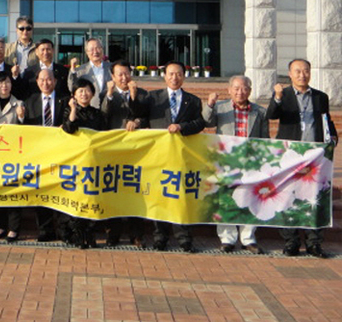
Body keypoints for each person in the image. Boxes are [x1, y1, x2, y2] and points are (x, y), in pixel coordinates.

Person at [266, 59, 337, 258]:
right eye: (297, 71)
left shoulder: (320, 97)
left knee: (314, 197)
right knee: (289, 197)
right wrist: (277, 97)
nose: (302, 75)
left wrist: (332, 138)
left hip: (314, 157)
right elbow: (272, 115)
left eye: (305, 71)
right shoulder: (284, 94)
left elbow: (326, 121)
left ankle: (314, 243)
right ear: (289, 74)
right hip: (290, 156)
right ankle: (291, 241)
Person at [138, 60, 205, 252]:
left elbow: (199, 123)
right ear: (164, 76)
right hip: (158, 157)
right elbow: (143, 119)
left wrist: (182, 127)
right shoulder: (153, 98)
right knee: (160, 196)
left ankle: (184, 238)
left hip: (182, 157)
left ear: (184, 76)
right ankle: (160, 237)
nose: (174, 78)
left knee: (181, 197)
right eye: (171, 74)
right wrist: (135, 122)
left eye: (178, 74)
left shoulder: (193, 101)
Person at [203, 75, 269, 254]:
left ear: (250, 90)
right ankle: (227, 238)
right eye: (237, 88)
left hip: (250, 162)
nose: (241, 92)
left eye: (245, 88)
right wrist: (209, 104)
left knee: (251, 199)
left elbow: (265, 140)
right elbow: (207, 122)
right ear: (229, 89)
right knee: (226, 199)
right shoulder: (220, 108)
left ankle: (248, 237)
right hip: (226, 161)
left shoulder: (260, 112)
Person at [100, 60, 148, 248]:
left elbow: (146, 117)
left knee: (135, 191)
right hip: (114, 151)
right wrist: (110, 95)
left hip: (136, 152)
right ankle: (113, 233)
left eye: (126, 73)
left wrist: (136, 121)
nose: (123, 78)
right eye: (119, 74)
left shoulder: (142, 94)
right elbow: (103, 116)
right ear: (112, 77)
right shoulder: (106, 94)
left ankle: (137, 235)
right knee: (114, 192)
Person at [23, 68, 69, 242]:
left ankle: (64, 229)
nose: (45, 83)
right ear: (37, 82)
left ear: (55, 81)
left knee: (62, 191)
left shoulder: (65, 100)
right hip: (39, 155)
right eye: (42, 80)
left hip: (61, 154)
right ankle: (45, 229)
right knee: (42, 192)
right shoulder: (30, 102)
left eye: (49, 79)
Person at [62, 78, 106, 248]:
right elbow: (69, 128)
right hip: (74, 163)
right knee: (76, 197)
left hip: (93, 163)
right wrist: (73, 109)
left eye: (87, 90)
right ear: (74, 95)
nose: (84, 94)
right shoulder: (69, 111)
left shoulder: (98, 114)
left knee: (91, 198)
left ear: (92, 93)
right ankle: (77, 235)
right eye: (80, 91)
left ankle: (90, 233)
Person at [0, 70, 26, 243]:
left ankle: (14, 228)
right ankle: (1, 225)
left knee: (14, 190)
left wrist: (22, 117)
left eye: (7, 82)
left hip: (14, 154)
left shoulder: (19, 103)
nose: (4, 85)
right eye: (1, 83)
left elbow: (26, 128)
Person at [68, 38, 111, 107]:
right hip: (90, 110)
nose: (95, 52)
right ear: (87, 52)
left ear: (102, 50)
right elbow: (72, 88)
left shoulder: (112, 68)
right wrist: (73, 69)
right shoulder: (81, 70)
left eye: (97, 48)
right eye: (92, 49)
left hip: (111, 109)